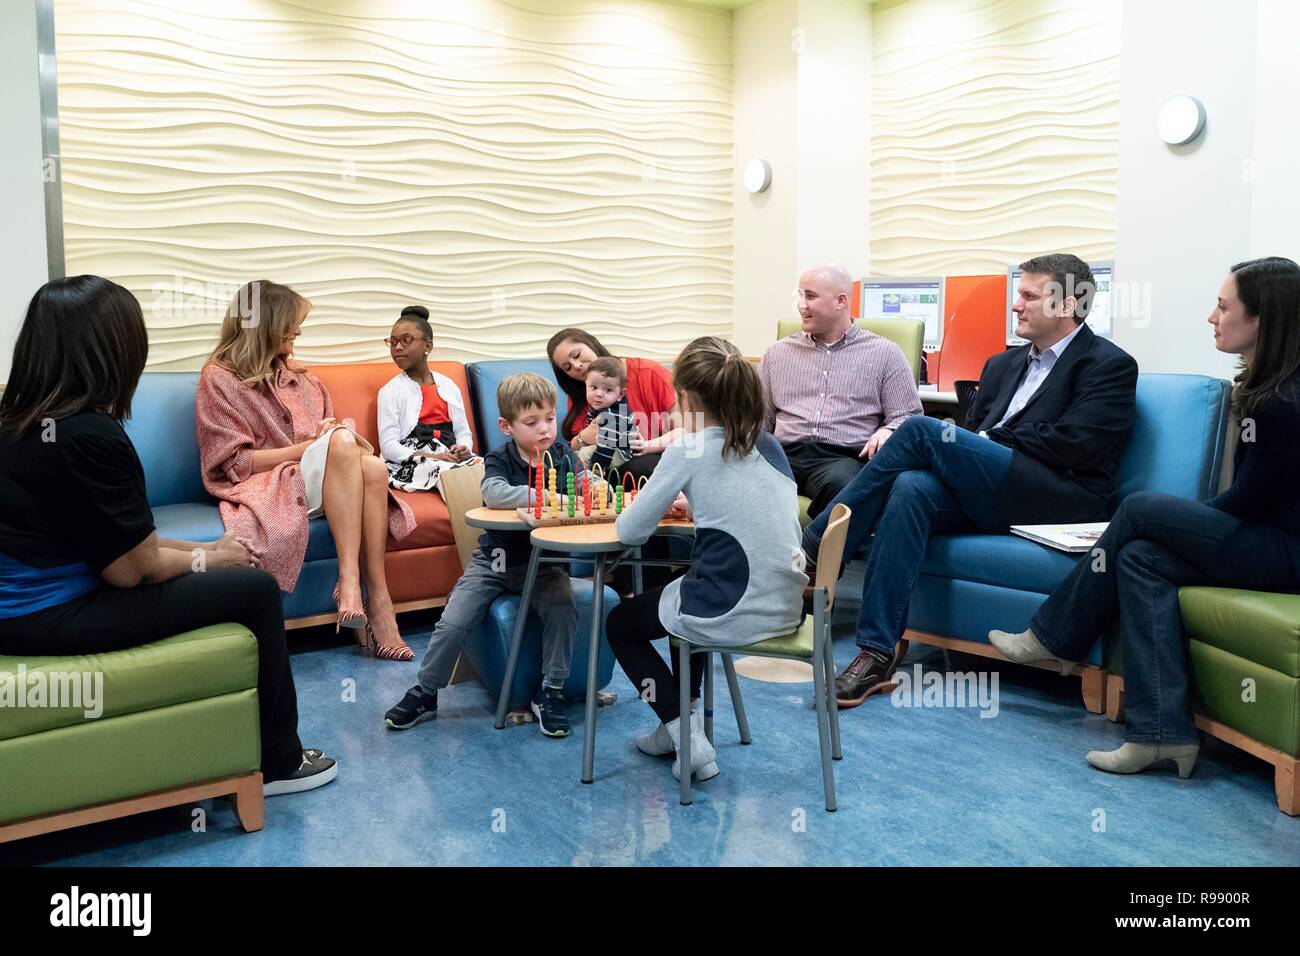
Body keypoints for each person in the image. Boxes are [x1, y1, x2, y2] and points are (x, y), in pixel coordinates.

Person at [0, 275, 336, 796]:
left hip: (22, 608)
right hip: (46, 616)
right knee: (255, 589)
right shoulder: (91, 436)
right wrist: (215, 560)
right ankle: (278, 762)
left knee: (231, 568)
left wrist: (212, 551)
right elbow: (131, 569)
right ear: (113, 350)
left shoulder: (18, 422)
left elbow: (127, 544)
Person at [990, 256, 1300, 779]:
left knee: (1140, 509)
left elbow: (1247, 503)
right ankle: (1162, 734)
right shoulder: (1270, 389)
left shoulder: (1285, 404)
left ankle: (1052, 636)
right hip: (1264, 539)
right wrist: (1181, 526)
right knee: (1139, 557)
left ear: (1263, 319)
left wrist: (1180, 520)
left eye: (1224, 307)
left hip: (1286, 551)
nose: (1211, 317)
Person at [804, 253, 1139, 707]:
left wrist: (991, 442)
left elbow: (1076, 444)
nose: (1016, 306)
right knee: (910, 488)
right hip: (995, 493)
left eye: (1027, 296)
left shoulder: (1108, 364)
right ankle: (876, 653)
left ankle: (815, 546)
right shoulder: (1002, 365)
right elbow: (977, 433)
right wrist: (979, 445)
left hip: (1059, 499)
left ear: (1067, 304)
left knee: (921, 429)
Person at [606, 336, 807, 783]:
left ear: (689, 399)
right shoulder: (769, 444)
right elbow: (750, 509)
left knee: (620, 625)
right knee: (686, 588)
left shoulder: (686, 448)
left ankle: (683, 731)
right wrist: (696, 506)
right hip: (787, 607)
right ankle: (676, 729)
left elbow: (629, 532)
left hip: (727, 609)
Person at [196, 280, 417, 661]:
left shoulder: (305, 380)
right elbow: (233, 464)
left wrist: (326, 439)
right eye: (291, 324)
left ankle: (372, 596)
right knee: (357, 455)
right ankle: (361, 592)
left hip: (325, 478)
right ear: (265, 324)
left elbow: (328, 439)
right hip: (269, 484)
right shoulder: (218, 379)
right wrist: (311, 448)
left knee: (373, 468)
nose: (298, 331)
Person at [384, 373, 580, 738]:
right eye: (532, 422)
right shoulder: (499, 458)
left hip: (548, 565)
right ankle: (426, 690)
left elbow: (588, 484)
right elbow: (494, 493)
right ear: (506, 426)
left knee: (564, 608)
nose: (544, 429)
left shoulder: (564, 455)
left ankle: (551, 691)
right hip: (495, 562)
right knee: (454, 620)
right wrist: (548, 498)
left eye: (550, 419)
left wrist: (597, 489)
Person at [758, 263, 923, 519]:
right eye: (800, 295)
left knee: (845, 486)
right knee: (739, 474)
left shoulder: (885, 353)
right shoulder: (776, 353)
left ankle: (816, 556)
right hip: (782, 454)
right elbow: (759, 421)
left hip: (839, 459)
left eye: (810, 296)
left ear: (840, 301)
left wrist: (888, 430)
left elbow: (909, 416)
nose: (802, 305)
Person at [547, 328, 679, 481]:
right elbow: (576, 449)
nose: (577, 366)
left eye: (577, 355)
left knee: (640, 467)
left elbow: (691, 430)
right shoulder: (582, 397)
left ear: (591, 343)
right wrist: (583, 438)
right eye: (567, 367)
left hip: (656, 458)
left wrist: (646, 446)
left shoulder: (649, 372)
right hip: (606, 468)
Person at [377, 304, 477, 494]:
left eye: (406, 340)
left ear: (428, 346)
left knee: (486, 470)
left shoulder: (449, 385)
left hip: (448, 453)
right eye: (393, 341)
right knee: (451, 475)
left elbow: (463, 432)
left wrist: (463, 448)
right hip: (413, 458)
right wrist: (427, 455)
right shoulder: (390, 391)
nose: (397, 347)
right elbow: (389, 446)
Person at [575, 356, 641, 477]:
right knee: (576, 454)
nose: (599, 394)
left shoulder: (613, 415)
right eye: (594, 387)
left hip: (620, 453)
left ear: (621, 394)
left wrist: (598, 466)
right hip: (611, 449)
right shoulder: (606, 408)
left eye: (608, 390)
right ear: (586, 385)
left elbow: (607, 444)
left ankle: (584, 481)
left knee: (584, 453)